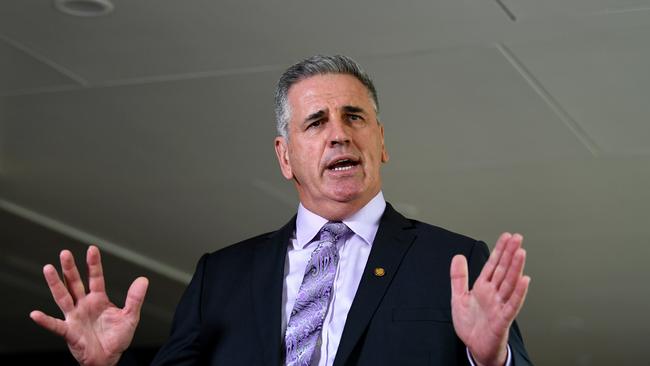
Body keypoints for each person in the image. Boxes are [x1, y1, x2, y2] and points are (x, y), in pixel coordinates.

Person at [31, 55, 532, 366]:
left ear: (380, 141)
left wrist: (491, 360)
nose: (339, 133)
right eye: (316, 122)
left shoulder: (454, 263)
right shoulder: (220, 276)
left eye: (354, 117)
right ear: (284, 156)